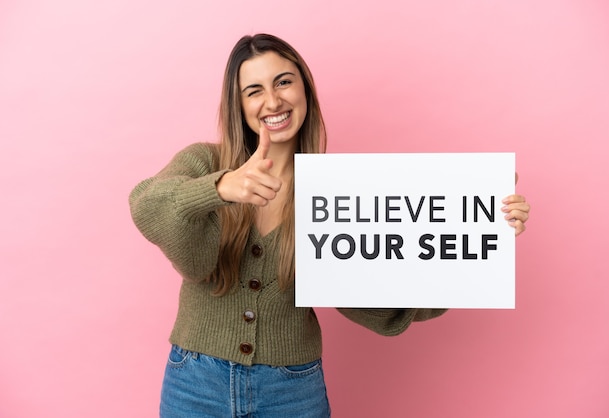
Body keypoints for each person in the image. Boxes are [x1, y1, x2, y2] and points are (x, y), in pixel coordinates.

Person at [129, 33, 531, 418]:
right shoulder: (206, 162)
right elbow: (147, 205)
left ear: (304, 89)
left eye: (283, 82)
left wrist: (481, 238)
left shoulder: (335, 192)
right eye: (254, 91)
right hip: (195, 381)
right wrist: (219, 187)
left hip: (292, 389)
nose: (272, 101)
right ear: (239, 105)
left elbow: (383, 304)